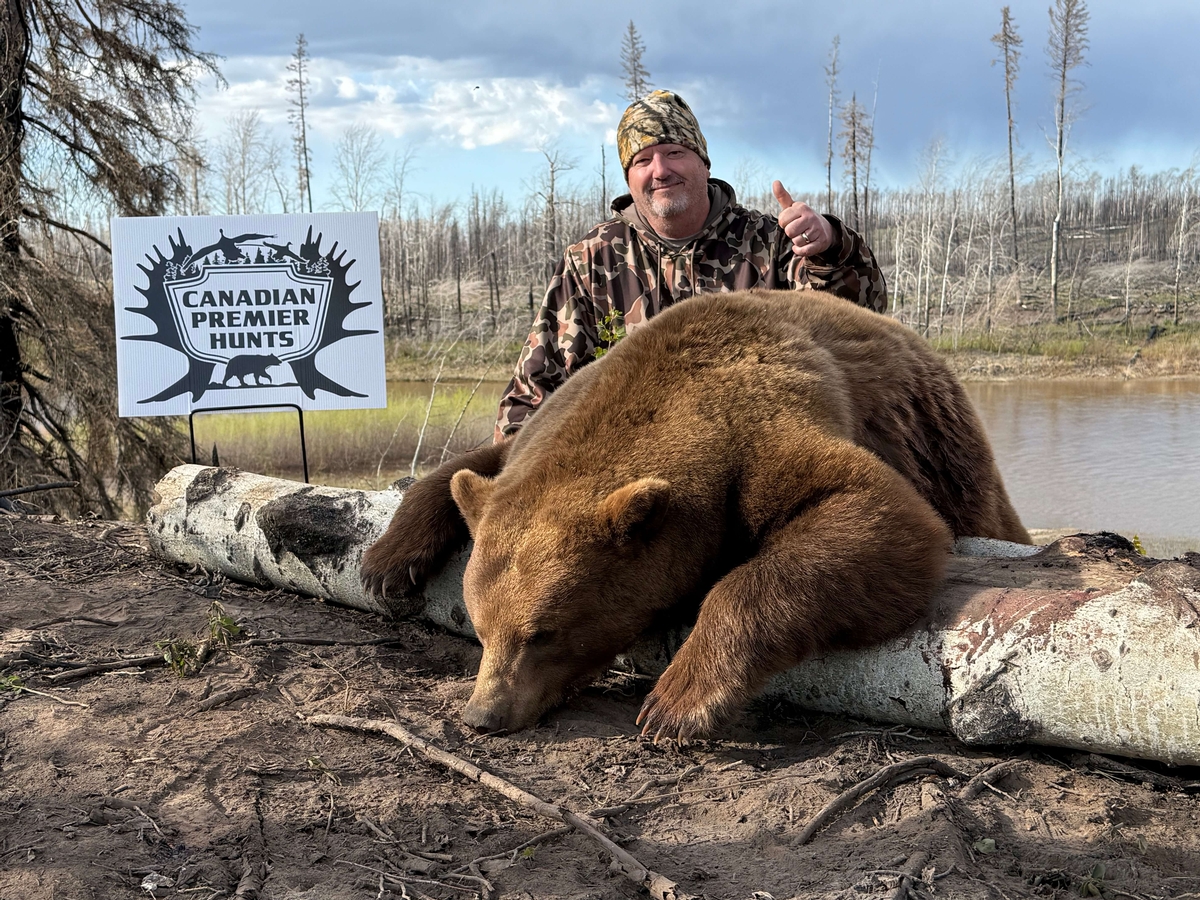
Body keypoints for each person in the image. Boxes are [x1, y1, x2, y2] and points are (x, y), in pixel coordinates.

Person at [494, 90, 887, 440]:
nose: (660, 170)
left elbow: (856, 326)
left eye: (675, 153)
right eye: (643, 159)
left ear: (703, 163)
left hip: (762, 455)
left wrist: (829, 247)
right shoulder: (592, 260)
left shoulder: (769, 242)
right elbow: (535, 391)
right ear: (629, 178)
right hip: (633, 470)